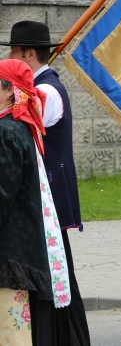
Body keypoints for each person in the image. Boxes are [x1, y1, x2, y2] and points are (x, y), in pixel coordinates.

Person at [2, 21, 91, 345]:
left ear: (28, 53)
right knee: (55, 277)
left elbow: (21, 115)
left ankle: (68, 338)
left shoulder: (47, 90)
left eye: (13, 50)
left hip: (47, 197)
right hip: (38, 198)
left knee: (56, 278)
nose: (10, 55)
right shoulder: (36, 87)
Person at [0, 58, 72, 344]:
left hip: (11, 249)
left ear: (9, 91)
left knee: (11, 333)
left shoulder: (7, 131)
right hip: (22, 245)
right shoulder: (20, 127)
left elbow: (3, 193)